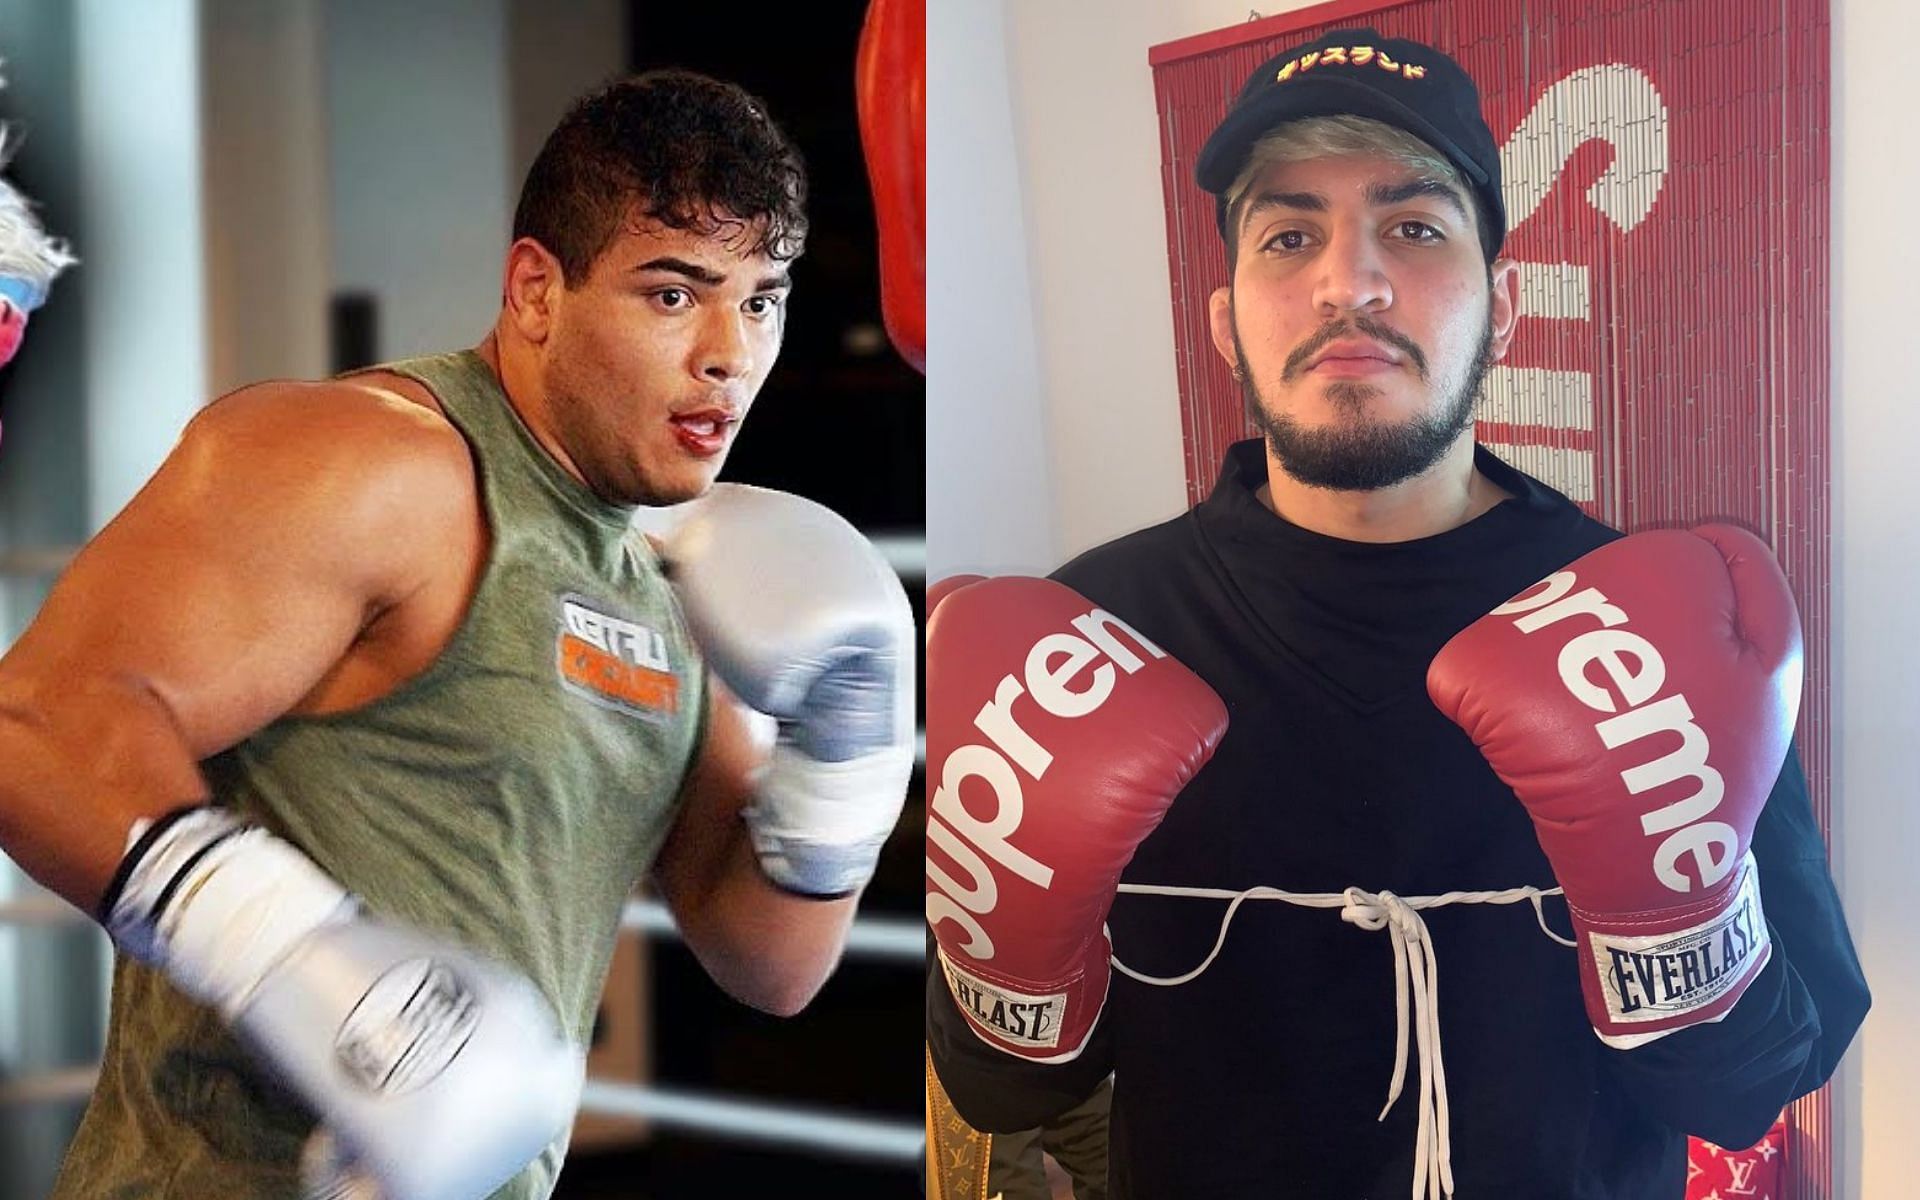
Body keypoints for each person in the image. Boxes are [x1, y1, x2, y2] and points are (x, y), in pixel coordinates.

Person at [925, 27, 1868, 1199]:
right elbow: (1005, 1094)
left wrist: (1679, 927)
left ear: (1505, 308)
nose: (1350, 282)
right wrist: (1004, 955)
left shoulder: (1653, 638)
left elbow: (1752, 1085)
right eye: (1290, 234)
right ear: (1226, 323)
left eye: (1415, 228)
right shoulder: (1086, 636)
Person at [0, 68, 915, 1200]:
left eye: (762, 299)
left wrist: (850, 762)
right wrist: (304, 961)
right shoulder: (377, 465)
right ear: (536, 290)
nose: (729, 352)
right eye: (674, 295)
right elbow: (34, 724)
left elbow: (768, 963)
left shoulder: (680, 577)